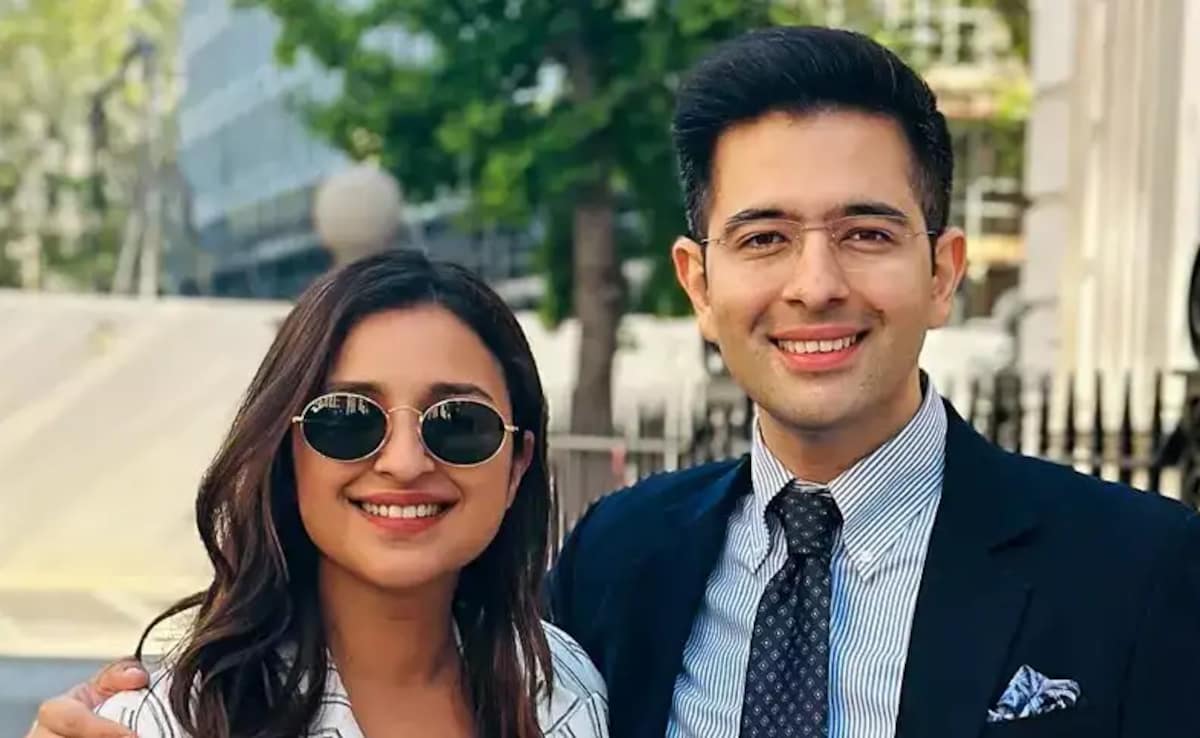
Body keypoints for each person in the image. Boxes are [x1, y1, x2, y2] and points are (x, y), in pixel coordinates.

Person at [31, 24, 1200, 738]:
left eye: (866, 233)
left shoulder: (1140, 571)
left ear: (944, 270)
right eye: (763, 238)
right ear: (698, 281)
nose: (815, 284)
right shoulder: (619, 568)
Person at [26, 249, 606, 738]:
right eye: (347, 418)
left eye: (458, 422)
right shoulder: (168, 722)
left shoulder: (566, 689)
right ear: (286, 451)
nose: (404, 462)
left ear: (517, 464)